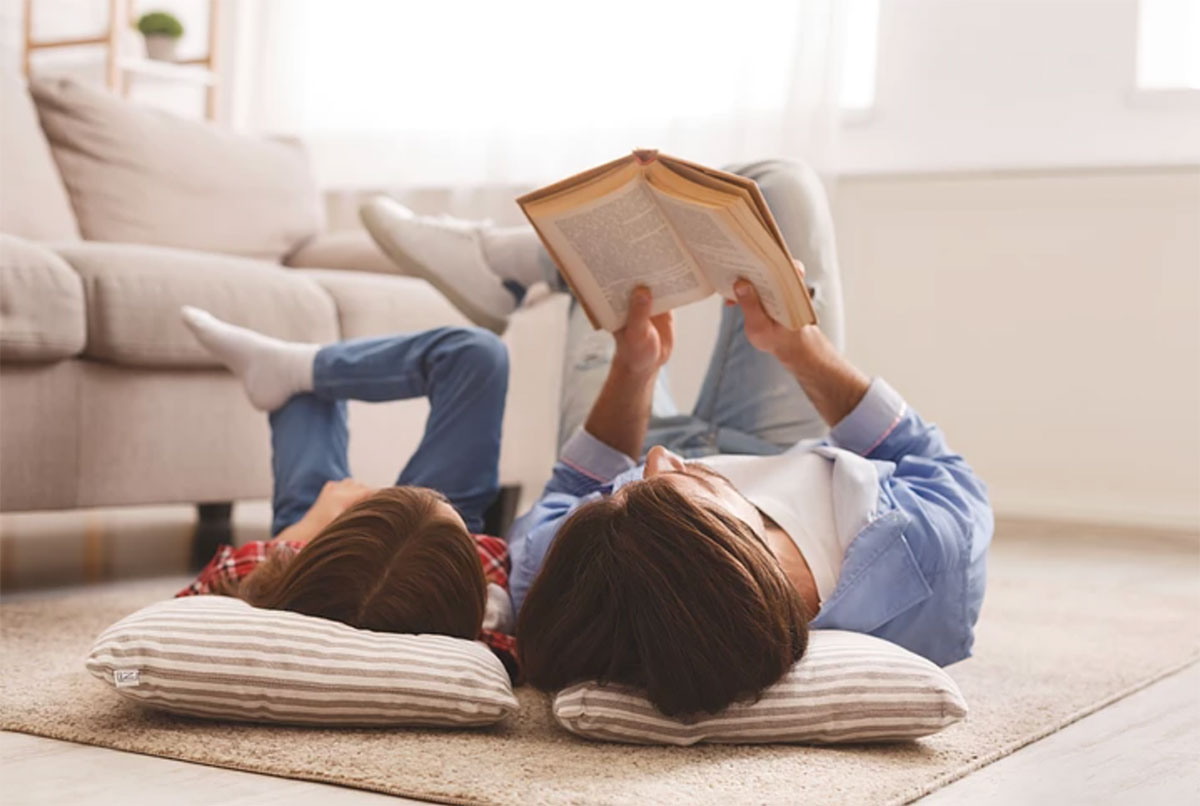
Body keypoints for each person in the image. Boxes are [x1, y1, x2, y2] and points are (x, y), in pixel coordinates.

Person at [361, 159, 993, 717]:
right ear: (734, 543)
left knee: (613, 283)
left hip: (624, 422)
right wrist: (801, 350)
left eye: (630, 492)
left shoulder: (582, 575)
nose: (658, 459)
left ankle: (514, 267)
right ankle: (528, 264)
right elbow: (923, 454)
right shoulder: (932, 560)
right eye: (671, 490)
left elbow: (577, 485)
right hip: (781, 434)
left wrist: (633, 370)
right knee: (783, 186)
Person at [174, 308, 518, 678]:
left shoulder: (276, 568)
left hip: (312, 546)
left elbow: (179, 616)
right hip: (414, 548)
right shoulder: (485, 618)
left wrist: (307, 529)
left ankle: (293, 367)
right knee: (477, 354)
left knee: (301, 396)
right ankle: (298, 366)